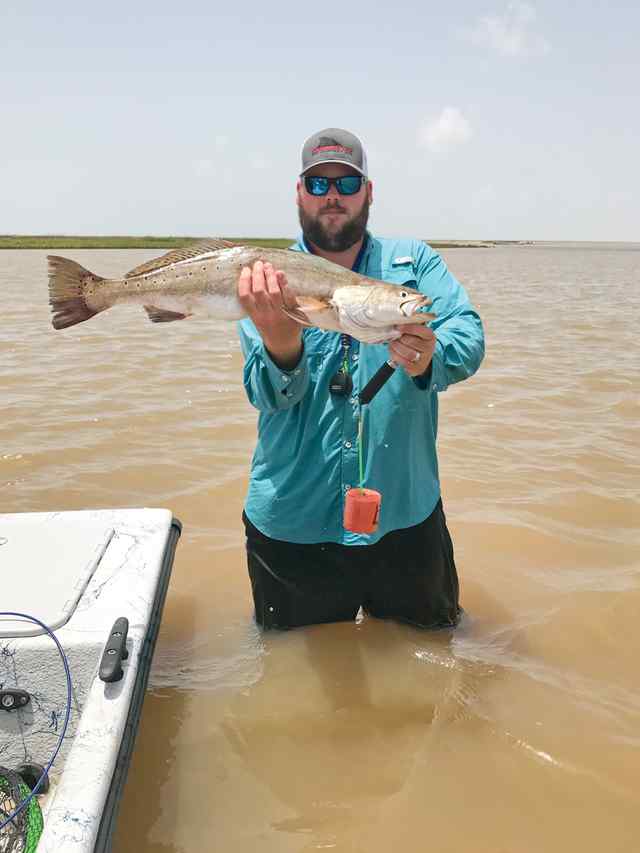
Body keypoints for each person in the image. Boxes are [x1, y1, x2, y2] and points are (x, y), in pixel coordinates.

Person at [236, 127, 484, 631]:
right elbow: (266, 396)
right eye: (319, 184)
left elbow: (470, 335)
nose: (333, 196)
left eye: (347, 184)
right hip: (294, 523)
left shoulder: (413, 262)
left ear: (369, 193)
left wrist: (428, 358)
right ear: (299, 194)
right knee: (296, 682)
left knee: (433, 659)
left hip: (404, 517)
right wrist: (281, 341)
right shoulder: (265, 279)